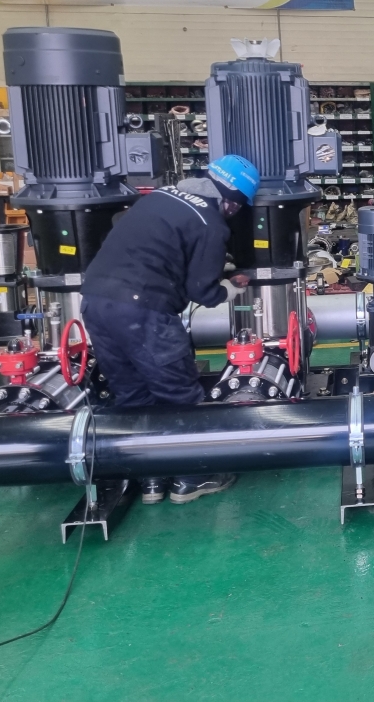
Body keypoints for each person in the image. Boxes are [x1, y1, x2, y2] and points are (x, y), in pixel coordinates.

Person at [81, 154, 260, 505]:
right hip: (143, 311)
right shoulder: (211, 222)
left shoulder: (161, 196)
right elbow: (201, 291)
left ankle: (151, 478)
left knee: (132, 395)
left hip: (96, 302)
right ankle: (192, 478)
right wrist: (230, 287)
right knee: (179, 394)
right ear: (233, 201)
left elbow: (159, 253)